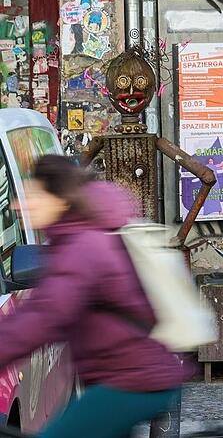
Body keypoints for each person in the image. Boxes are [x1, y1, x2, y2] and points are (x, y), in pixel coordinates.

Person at [0, 156, 188, 437]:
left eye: (33, 194)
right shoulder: (80, 237)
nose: (20, 204)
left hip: (131, 381)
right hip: (129, 376)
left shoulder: (82, 247)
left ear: (60, 199)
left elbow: (42, 318)